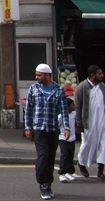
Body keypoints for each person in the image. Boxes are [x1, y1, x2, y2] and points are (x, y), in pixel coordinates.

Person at [24, 63, 70, 200]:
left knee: (50, 157)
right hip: (39, 129)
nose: (36, 77)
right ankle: (42, 183)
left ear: (47, 75)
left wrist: (66, 128)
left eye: (39, 75)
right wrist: (28, 128)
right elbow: (29, 109)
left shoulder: (58, 90)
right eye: (36, 74)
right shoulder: (34, 89)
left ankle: (48, 183)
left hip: (53, 128)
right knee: (43, 156)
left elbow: (64, 111)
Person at [75, 64, 105, 181]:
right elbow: (78, 106)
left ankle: (100, 171)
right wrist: (79, 123)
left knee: (103, 146)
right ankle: (81, 163)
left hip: (102, 122)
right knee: (87, 144)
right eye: (99, 73)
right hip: (89, 123)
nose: (102, 75)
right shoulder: (82, 87)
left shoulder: (103, 87)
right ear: (93, 75)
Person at [58, 97, 77, 183]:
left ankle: (69, 172)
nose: (74, 106)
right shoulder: (61, 116)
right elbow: (57, 125)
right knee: (64, 155)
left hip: (72, 139)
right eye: (72, 105)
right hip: (63, 138)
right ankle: (62, 173)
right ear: (67, 106)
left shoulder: (74, 114)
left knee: (70, 155)